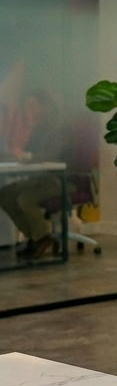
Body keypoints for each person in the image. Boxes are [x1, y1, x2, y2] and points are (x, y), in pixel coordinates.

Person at [0, 92, 69, 261]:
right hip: (39, 180)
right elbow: (26, 153)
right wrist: (13, 155)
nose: (29, 110)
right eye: (28, 107)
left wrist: (28, 156)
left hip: (60, 181)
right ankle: (36, 237)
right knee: (4, 194)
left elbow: (53, 155)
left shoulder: (61, 128)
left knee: (25, 199)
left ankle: (42, 238)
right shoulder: (38, 129)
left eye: (33, 106)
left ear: (45, 107)